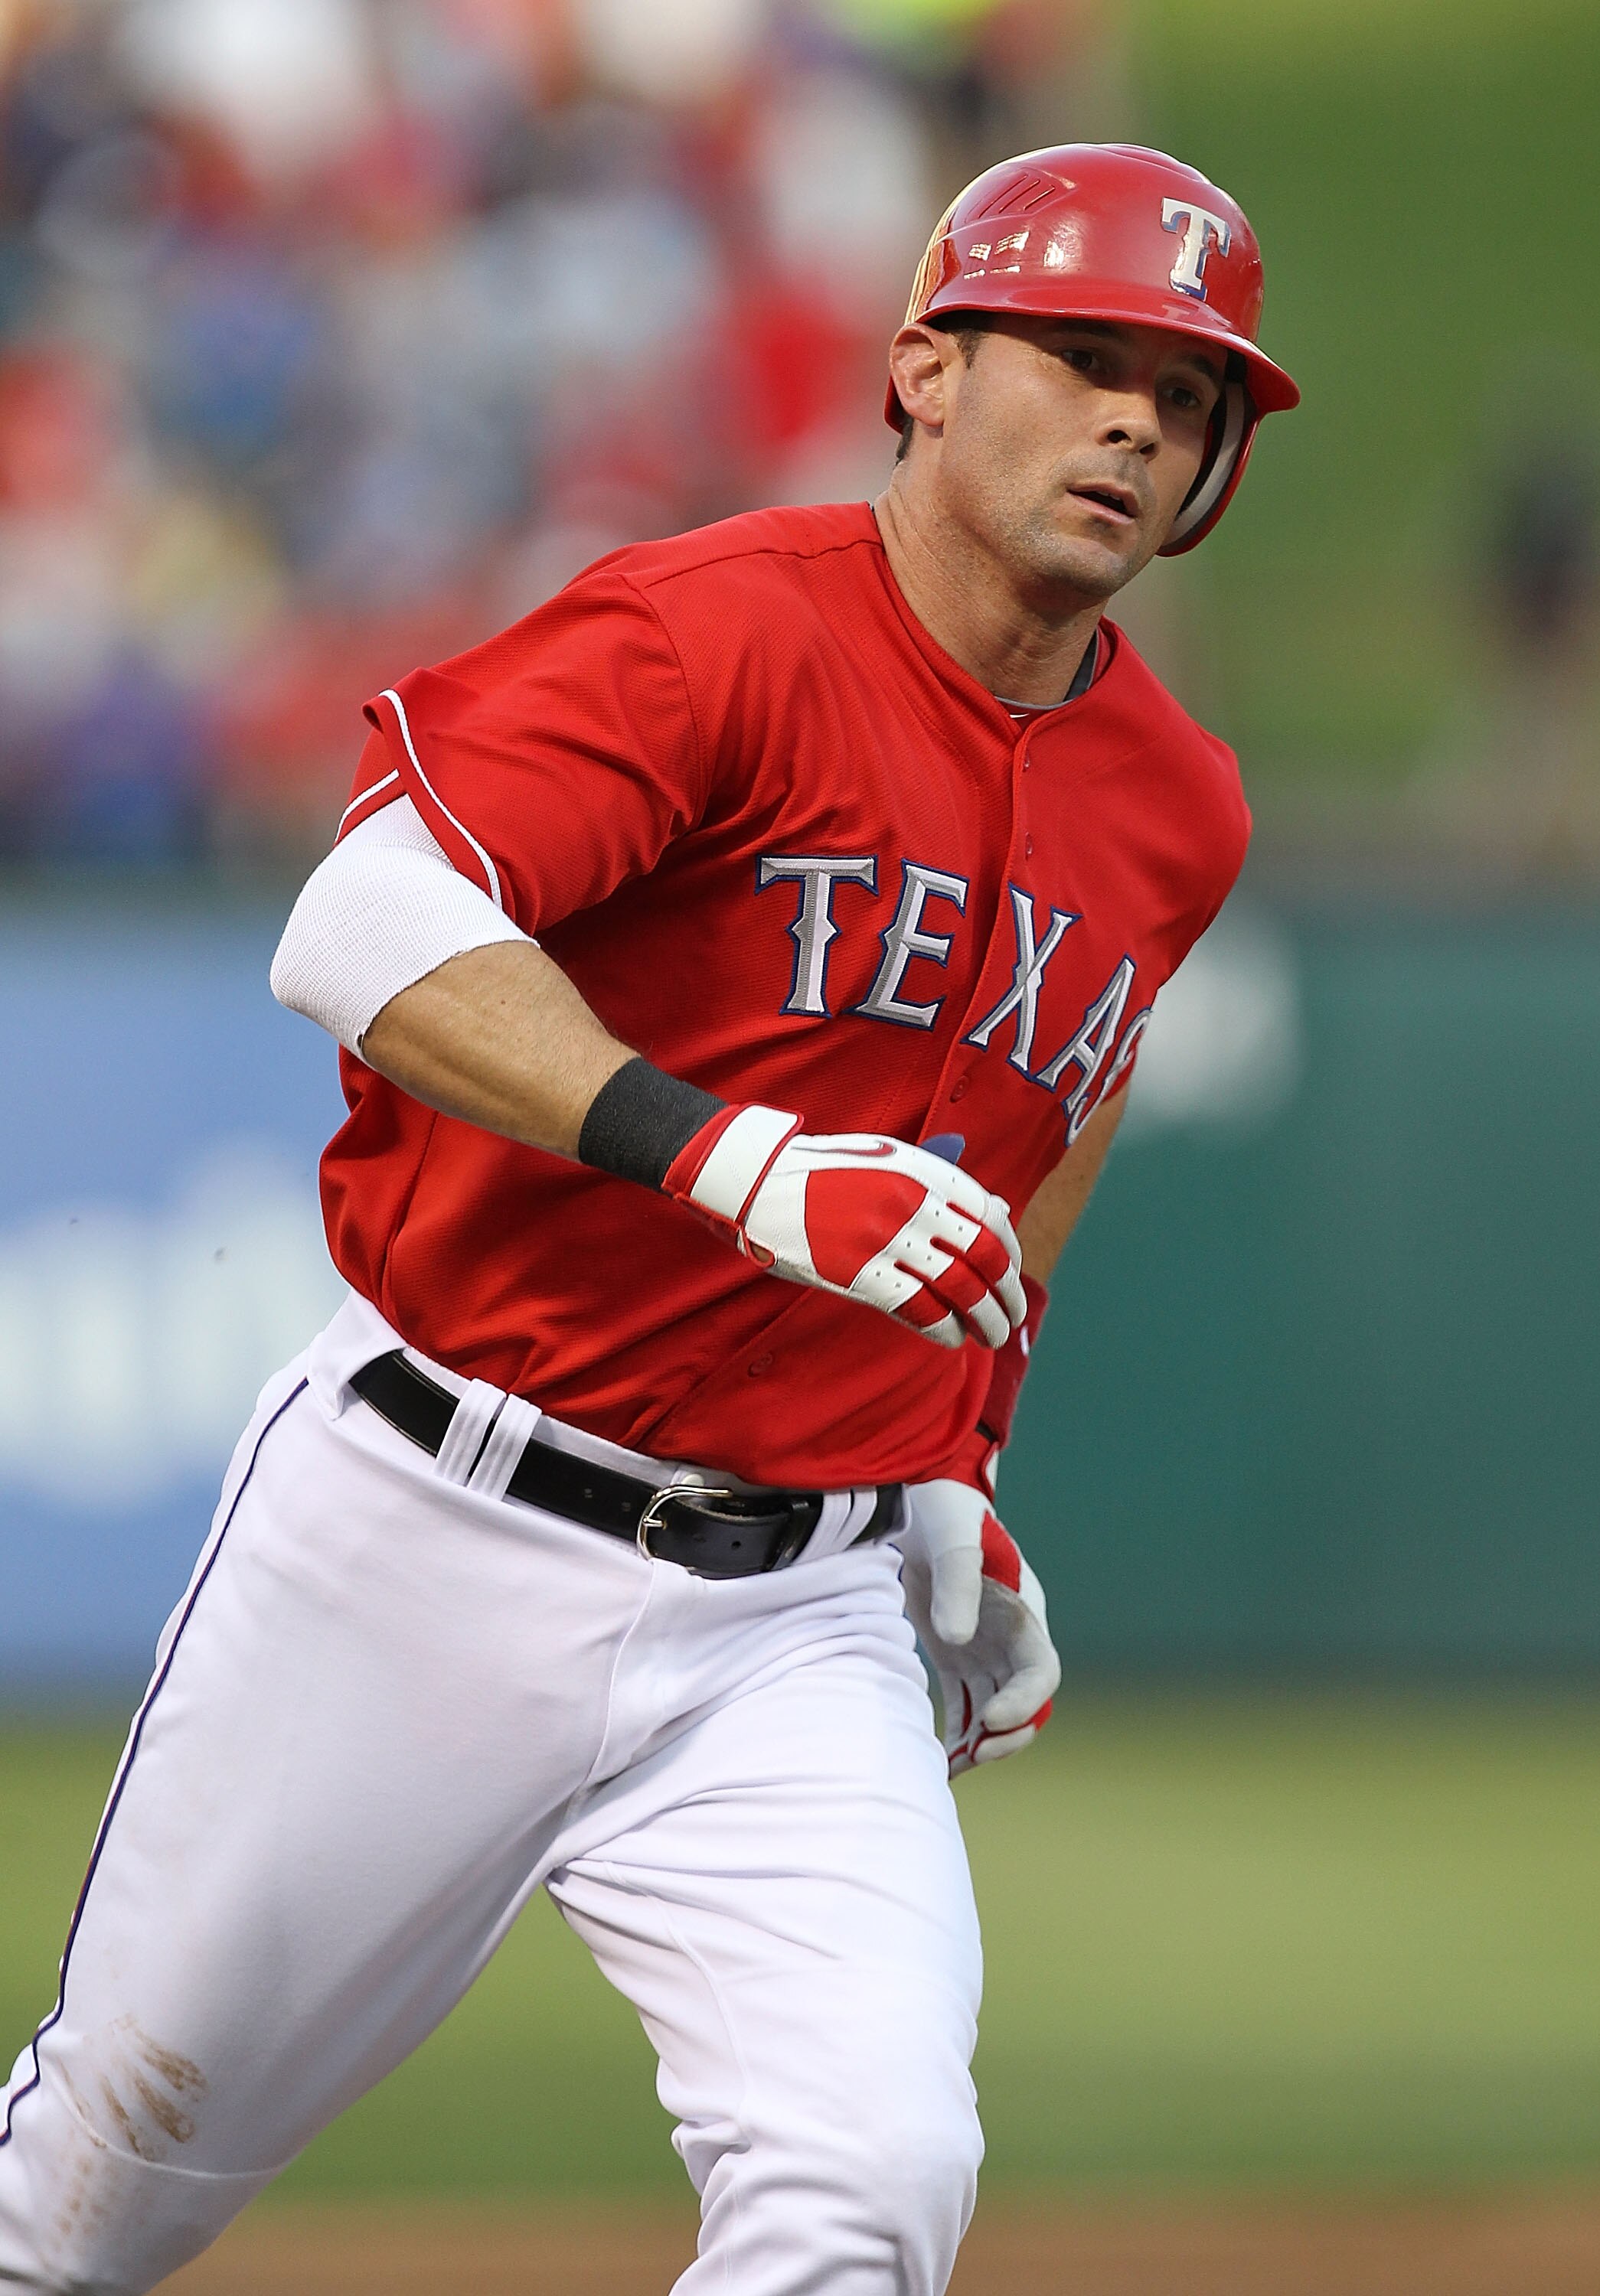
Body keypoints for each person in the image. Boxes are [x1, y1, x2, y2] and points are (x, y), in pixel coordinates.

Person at [0, 143, 1297, 2296]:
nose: (1137, 423)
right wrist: (735, 1159)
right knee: (80, 2214)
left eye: (1189, 394)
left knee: (867, 2175)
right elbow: (362, 919)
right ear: (922, 369)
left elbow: (1060, 1101)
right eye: (1081, 357)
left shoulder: (1177, 803)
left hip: (788, 1616)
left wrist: (950, 1461)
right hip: (428, 1528)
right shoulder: (718, 628)